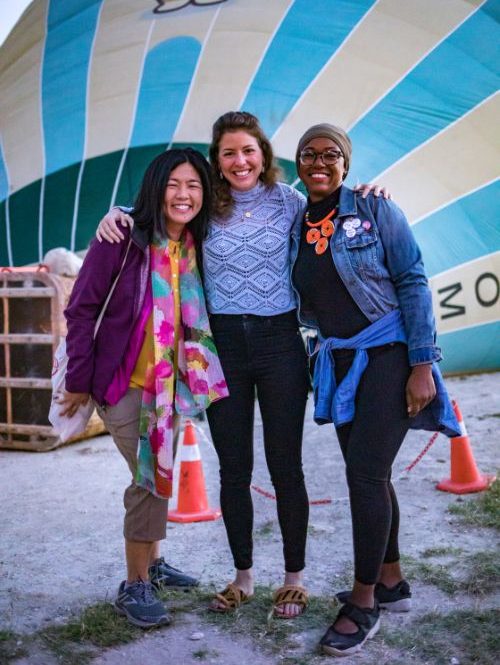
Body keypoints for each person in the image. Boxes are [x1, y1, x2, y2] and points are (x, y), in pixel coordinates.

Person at [96, 112, 387, 619]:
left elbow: (336, 209)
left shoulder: (290, 202)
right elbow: (163, 208)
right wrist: (115, 212)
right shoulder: (209, 205)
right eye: (228, 153)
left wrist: (369, 194)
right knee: (234, 469)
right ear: (218, 160)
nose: (240, 161)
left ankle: (293, 577)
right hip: (222, 347)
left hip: (280, 344)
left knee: (285, 466)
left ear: (264, 155)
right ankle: (243, 576)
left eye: (248, 151)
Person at [290, 123, 460, 656]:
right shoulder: (297, 221)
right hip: (341, 363)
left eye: (331, 154)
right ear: (297, 163)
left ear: (347, 162)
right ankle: (390, 581)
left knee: (365, 476)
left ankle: (363, 602)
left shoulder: (375, 209)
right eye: (308, 154)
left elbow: (412, 280)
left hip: (389, 356)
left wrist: (421, 365)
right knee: (370, 475)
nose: (319, 162)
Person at [59, 148, 228, 628]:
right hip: (127, 385)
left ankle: (152, 566)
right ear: (156, 188)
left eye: (194, 185)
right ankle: (134, 585)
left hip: (171, 387)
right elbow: (81, 310)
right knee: (151, 480)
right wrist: (78, 381)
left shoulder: (194, 241)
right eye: (174, 184)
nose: (184, 194)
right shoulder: (121, 240)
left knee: (160, 475)